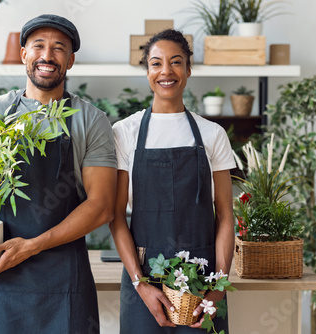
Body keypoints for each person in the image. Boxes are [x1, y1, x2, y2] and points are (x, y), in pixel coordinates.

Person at [0, 14, 117, 334]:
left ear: (71, 60)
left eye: (59, 48)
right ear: (24, 55)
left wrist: (32, 245)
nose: (47, 56)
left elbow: (101, 205)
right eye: (39, 46)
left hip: (65, 286)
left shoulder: (91, 120)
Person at [109, 29, 236, 333]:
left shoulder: (212, 134)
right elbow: (115, 217)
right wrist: (139, 283)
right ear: (147, 71)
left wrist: (218, 286)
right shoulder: (125, 133)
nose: (166, 71)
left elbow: (226, 216)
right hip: (143, 276)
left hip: (203, 278)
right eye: (156, 63)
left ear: (188, 70)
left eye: (176, 62)